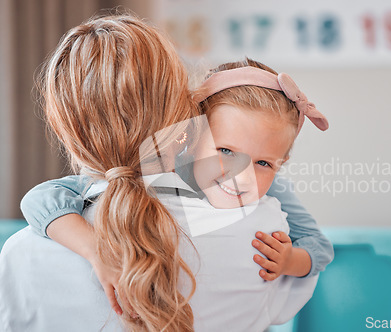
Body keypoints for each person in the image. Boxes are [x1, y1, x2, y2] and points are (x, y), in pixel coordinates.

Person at [1, 14, 333, 332]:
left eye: (265, 163)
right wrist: (96, 251)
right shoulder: (263, 226)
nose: (240, 174)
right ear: (190, 131)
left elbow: (42, 198)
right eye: (226, 151)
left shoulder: (21, 251)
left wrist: (293, 259)